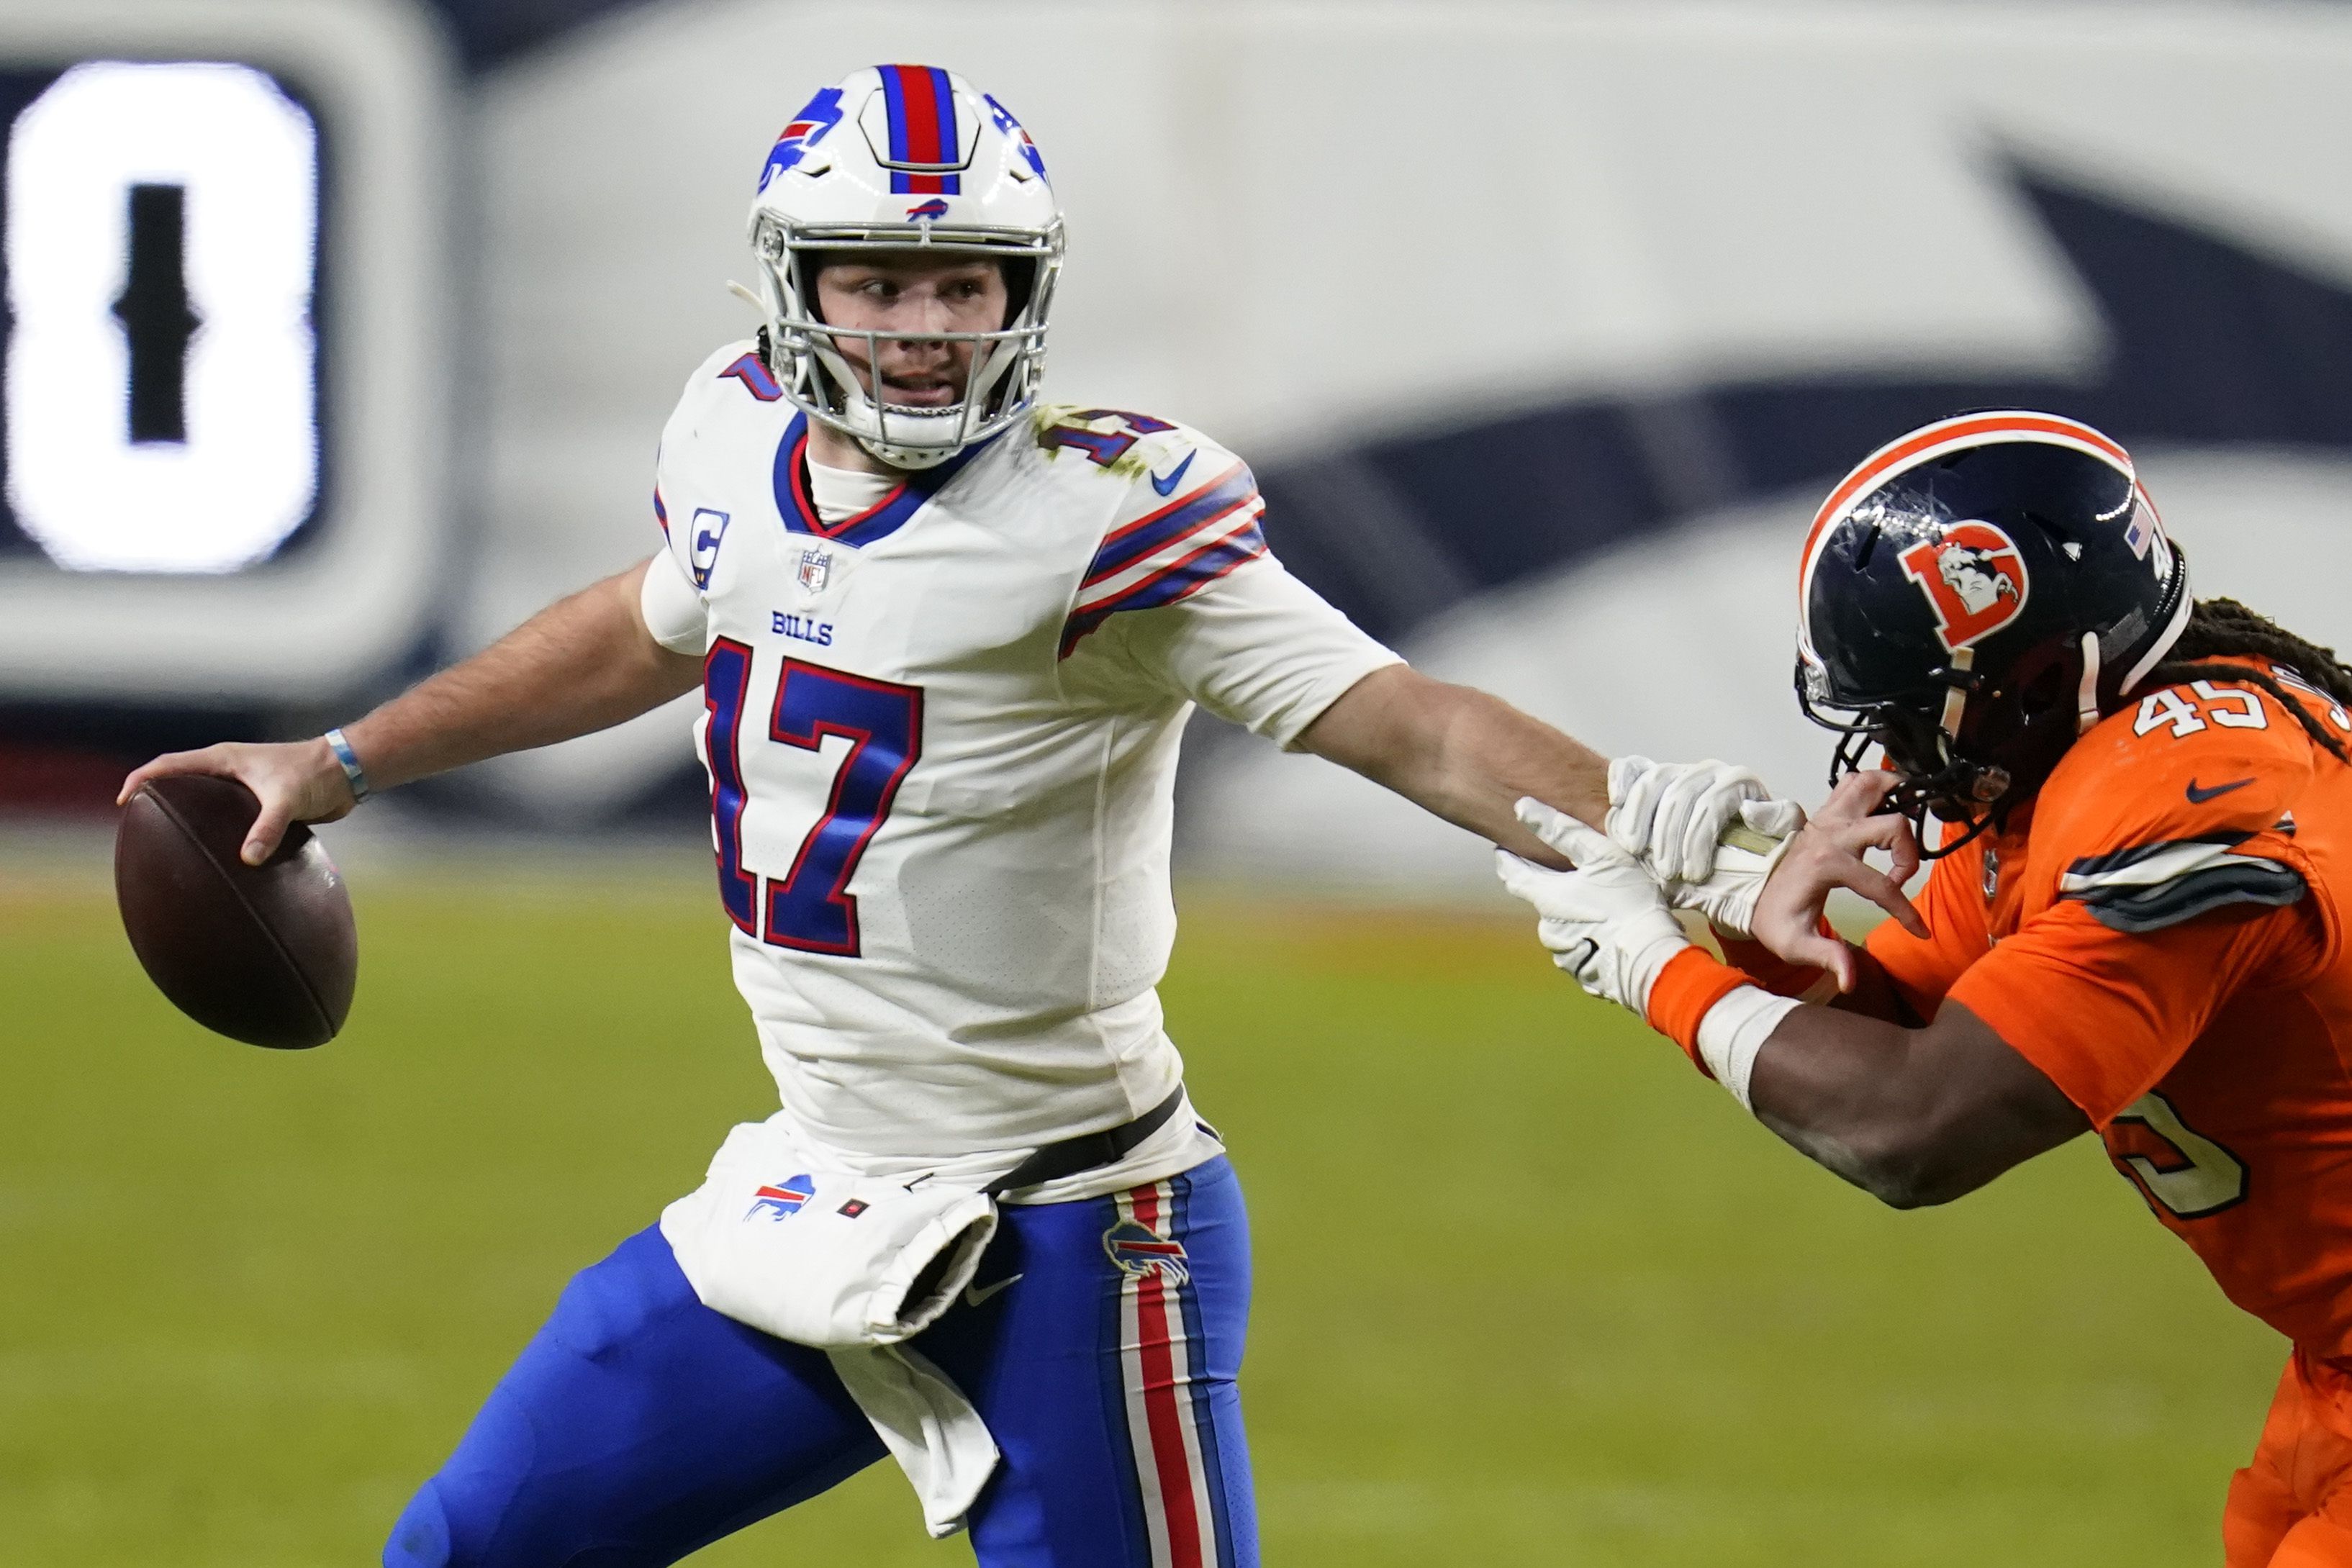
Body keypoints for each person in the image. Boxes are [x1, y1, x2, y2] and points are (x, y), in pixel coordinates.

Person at [121, 65, 1885, 1568]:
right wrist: (340, 760)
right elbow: (652, 618)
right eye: (874, 283)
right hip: (809, 1195)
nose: (917, 327)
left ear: (1021, 293)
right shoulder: (732, 442)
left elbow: (1408, 724)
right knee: (457, 1551)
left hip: (1068, 1241)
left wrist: (1714, 857)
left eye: (961, 282)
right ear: (790, 287)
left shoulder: (1107, 522)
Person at [1499, 408, 2352, 1567]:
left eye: (1908, 716)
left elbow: (1917, 1129)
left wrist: (1661, 975)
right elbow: (1904, 1030)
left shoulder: (2194, 797)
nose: (1893, 760)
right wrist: (1750, 917)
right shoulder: (2080, 764)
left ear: (2045, 673)